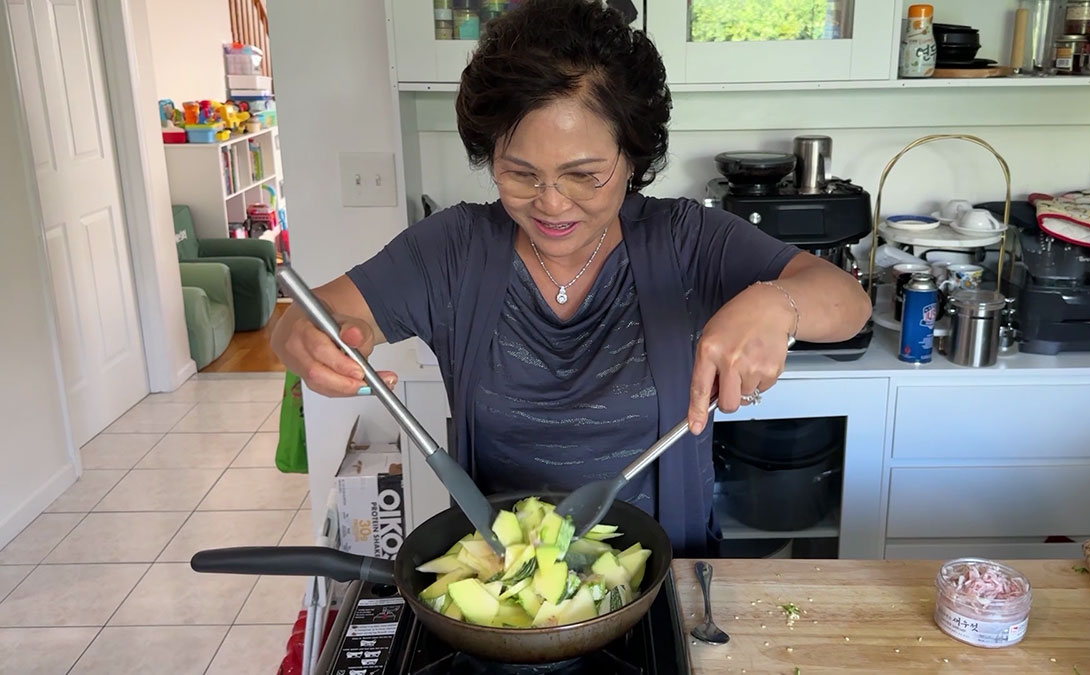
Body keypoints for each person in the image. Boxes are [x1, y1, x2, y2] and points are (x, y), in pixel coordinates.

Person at [272, 0, 871, 556]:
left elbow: (848, 303)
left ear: (633, 156)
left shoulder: (687, 240)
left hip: (666, 570)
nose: (551, 204)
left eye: (585, 175)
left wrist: (777, 303)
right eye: (520, 174)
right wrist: (305, 337)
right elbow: (305, 315)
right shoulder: (454, 249)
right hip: (508, 583)